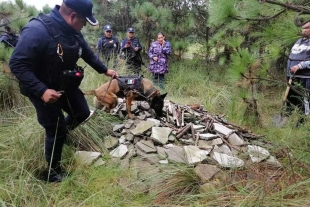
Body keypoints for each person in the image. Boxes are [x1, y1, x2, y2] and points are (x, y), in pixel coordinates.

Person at [9, 0, 117, 182]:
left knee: (82, 112)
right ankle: (53, 172)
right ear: (73, 15)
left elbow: (87, 53)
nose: (84, 26)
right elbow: (17, 64)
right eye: (84, 21)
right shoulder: (37, 31)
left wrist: (105, 70)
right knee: (55, 127)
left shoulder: (73, 32)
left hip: (66, 84)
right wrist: (42, 90)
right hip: (41, 89)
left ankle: (61, 137)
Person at [286, 20, 310, 124]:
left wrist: (300, 66)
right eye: (303, 28)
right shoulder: (299, 41)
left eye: (306, 28)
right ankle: (292, 121)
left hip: (306, 77)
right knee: (292, 100)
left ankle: (304, 122)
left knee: (305, 101)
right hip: (293, 76)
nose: (303, 30)